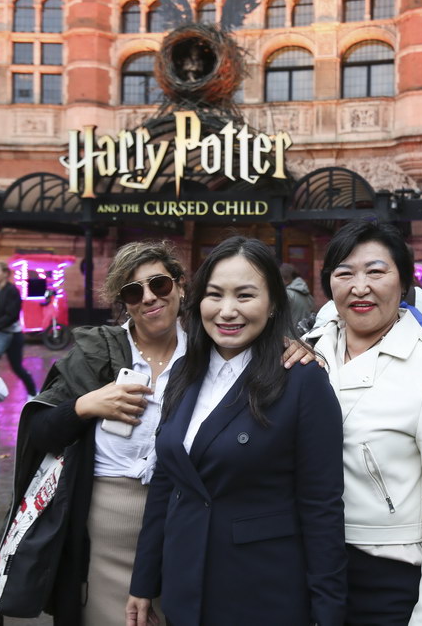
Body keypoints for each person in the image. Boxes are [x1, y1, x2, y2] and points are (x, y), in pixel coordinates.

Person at [0, 240, 317, 626]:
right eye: (132, 291)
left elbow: (262, 355)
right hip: (103, 532)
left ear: (180, 286)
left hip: (184, 528)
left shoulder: (211, 352)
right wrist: (86, 405)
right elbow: (40, 431)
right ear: (122, 302)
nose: (148, 298)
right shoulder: (98, 353)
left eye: (158, 284)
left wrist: (293, 347)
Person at [128, 237, 346, 626]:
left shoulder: (302, 380)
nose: (227, 311)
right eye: (215, 295)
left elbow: (322, 507)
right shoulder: (184, 373)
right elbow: (166, 482)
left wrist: (327, 612)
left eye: (245, 295)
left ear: (273, 303)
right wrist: (144, 581)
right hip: (185, 586)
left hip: (261, 591)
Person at [304, 220, 422, 625]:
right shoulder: (305, 355)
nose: (359, 287)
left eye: (376, 272)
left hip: (387, 577)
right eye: (344, 273)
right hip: (305, 563)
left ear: (404, 283)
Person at [0, 260, 37, 396]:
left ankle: (33, 394)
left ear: (5, 273)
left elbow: (11, 315)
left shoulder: (12, 291)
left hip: (12, 336)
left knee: (17, 367)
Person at [280, 262, 315, 332]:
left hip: (288, 336)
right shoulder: (308, 296)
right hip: (303, 335)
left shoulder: (287, 294)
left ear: (285, 279)